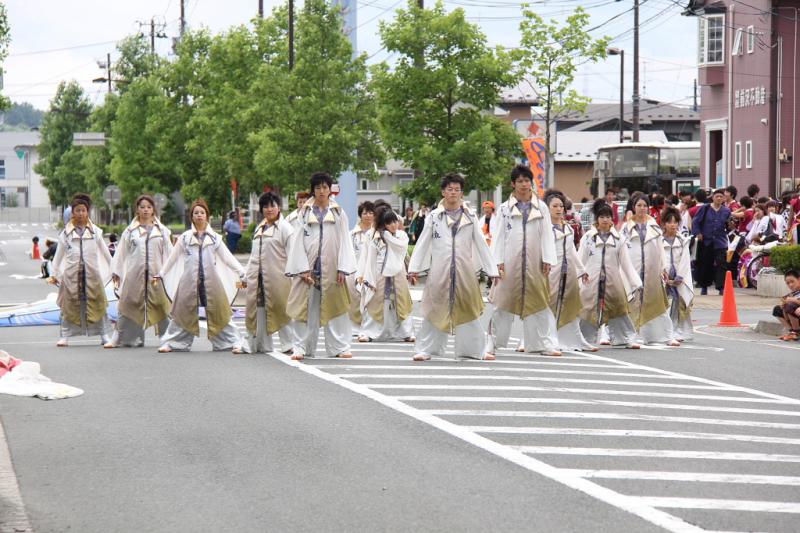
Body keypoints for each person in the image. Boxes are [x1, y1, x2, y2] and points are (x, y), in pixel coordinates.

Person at [408, 173, 499, 361]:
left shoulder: (470, 216)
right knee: (434, 310)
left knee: (468, 310)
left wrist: (492, 271)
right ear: (443, 192)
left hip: (464, 271)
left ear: (462, 193)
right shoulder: (434, 217)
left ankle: (475, 351)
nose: (453, 193)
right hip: (439, 271)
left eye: (457, 190)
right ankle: (427, 349)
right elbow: (423, 242)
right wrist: (414, 268)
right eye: (449, 189)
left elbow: (481, 243)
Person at [486, 165, 561, 357]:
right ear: (513, 184)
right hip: (510, 263)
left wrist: (548, 258)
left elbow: (546, 234)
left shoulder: (541, 207)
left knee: (540, 303)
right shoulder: (504, 208)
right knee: (502, 305)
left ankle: (543, 343)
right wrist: (497, 262)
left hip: (535, 263)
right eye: (519, 181)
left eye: (527, 181)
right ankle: (492, 343)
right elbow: (499, 236)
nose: (524, 185)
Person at [156, 199, 247, 353]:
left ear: (207, 216)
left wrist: (241, 272)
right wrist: (161, 273)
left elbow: (227, 258)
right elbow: (172, 257)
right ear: (191, 216)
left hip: (211, 282)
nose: (199, 215)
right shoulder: (184, 237)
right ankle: (172, 343)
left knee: (221, 313)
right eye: (196, 213)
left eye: (202, 213)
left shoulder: (214, 238)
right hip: (189, 282)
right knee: (181, 313)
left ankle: (232, 341)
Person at [285, 172, 358, 360]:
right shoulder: (305, 212)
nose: (321, 191)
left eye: (325, 187)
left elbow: (345, 241)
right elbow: (297, 241)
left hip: (332, 268)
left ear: (330, 189)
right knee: (304, 309)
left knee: (335, 309)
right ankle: (301, 348)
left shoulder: (338, 212)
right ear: (313, 190)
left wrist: (343, 268)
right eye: (317, 187)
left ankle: (339, 347)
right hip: (308, 269)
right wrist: (301, 268)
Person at [106, 194, 174, 348]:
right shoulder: (130, 231)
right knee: (126, 306)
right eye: (142, 207)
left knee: (163, 307)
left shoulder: (162, 231)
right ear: (137, 209)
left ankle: (168, 339)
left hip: (156, 276)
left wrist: (169, 272)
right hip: (134, 275)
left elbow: (170, 254)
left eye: (149, 207)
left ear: (153, 210)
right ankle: (118, 338)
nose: (145, 210)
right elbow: (121, 253)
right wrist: (116, 272)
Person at [48, 193, 113, 347]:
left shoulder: (96, 231)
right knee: (68, 306)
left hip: (92, 275)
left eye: (83, 210)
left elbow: (106, 253)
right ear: (73, 212)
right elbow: (58, 257)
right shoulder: (66, 233)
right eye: (77, 210)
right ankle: (64, 336)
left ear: (87, 212)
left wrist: (115, 269)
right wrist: (54, 274)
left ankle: (104, 335)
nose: (81, 213)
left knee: (98, 305)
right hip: (71, 275)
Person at [578, 200, 642, 349]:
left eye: (608, 216)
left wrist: (635, 282)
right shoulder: (588, 238)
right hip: (591, 280)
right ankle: (584, 339)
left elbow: (626, 264)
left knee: (619, 308)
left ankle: (624, 338)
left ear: (612, 218)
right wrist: (577, 278)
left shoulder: (619, 239)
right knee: (587, 309)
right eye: (602, 217)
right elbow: (580, 259)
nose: (605, 220)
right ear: (597, 219)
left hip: (613, 280)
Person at [243, 192, 297, 354]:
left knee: (282, 310)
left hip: (279, 278)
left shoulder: (286, 228)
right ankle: (260, 344)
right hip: (258, 278)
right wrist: (246, 275)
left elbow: (293, 254)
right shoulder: (260, 228)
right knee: (258, 310)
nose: (269, 209)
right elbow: (254, 255)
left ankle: (289, 344)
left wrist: (295, 276)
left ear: (279, 207)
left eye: (272, 205)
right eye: (265, 206)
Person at [622, 193, 679, 346]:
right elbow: (621, 250)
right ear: (633, 207)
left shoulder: (654, 226)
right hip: (632, 269)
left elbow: (661, 249)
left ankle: (667, 336)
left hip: (652, 270)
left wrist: (664, 267)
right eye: (639, 205)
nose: (642, 208)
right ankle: (631, 336)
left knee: (658, 304)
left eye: (645, 205)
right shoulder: (625, 228)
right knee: (632, 303)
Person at [545, 190, 597, 352]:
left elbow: (572, 252)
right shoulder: (544, 228)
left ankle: (576, 339)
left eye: (561, 206)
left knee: (572, 306)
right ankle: (544, 339)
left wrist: (582, 270)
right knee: (547, 306)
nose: (559, 209)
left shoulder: (568, 228)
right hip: (550, 272)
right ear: (547, 208)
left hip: (569, 273)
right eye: (554, 206)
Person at [356, 206, 415, 343]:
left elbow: (403, 253)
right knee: (376, 301)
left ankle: (406, 332)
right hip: (379, 272)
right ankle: (369, 331)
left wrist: (412, 271)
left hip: (398, 273)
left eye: (395, 222)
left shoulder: (402, 236)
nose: (393, 225)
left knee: (401, 302)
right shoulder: (374, 236)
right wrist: (364, 274)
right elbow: (368, 257)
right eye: (389, 223)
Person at [661, 206, 694, 342]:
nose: (672, 225)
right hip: (665, 278)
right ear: (664, 224)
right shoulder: (659, 240)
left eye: (675, 222)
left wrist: (680, 276)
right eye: (669, 222)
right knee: (664, 306)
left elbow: (685, 260)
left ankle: (678, 331)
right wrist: (663, 272)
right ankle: (666, 331)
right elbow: (658, 258)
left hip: (680, 279)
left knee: (679, 305)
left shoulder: (682, 240)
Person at [691, 189, 731, 295]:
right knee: (705, 264)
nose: (719, 198)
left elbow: (728, 226)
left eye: (721, 197)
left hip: (720, 241)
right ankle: (704, 286)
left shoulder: (726, 211)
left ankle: (721, 287)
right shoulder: (705, 208)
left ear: (723, 199)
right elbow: (695, 221)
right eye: (717, 196)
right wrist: (698, 233)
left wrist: (731, 226)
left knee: (721, 264)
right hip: (706, 240)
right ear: (712, 197)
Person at [348, 201, 375, 336]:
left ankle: (369, 327)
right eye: (365, 213)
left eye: (371, 213)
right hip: (356, 272)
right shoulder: (352, 234)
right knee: (355, 299)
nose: (368, 216)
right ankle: (355, 327)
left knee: (371, 300)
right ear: (360, 215)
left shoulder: (379, 233)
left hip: (373, 272)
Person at [774, 270, 800, 341]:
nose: (790, 285)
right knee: (777, 309)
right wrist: (783, 306)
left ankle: (796, 332)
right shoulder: (793, 293)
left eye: (792, 281)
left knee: (790, 305)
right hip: (796, 316)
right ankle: (791, 331)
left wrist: (793, 300)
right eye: (788, 283)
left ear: (799, 279)